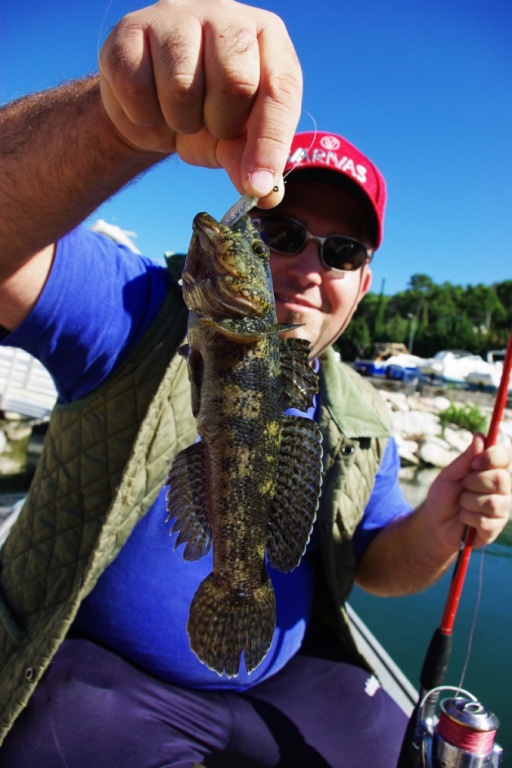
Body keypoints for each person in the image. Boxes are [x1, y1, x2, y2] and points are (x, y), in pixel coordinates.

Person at [0, 2, 510, 766]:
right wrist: (118, 120)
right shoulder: (140, 311)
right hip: (106, 674)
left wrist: (438, 526)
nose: (308, 267)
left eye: (339, 251)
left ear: (363, 284)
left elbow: (373, 561)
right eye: (280, 233)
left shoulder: (358, 411)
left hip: (286, 685)